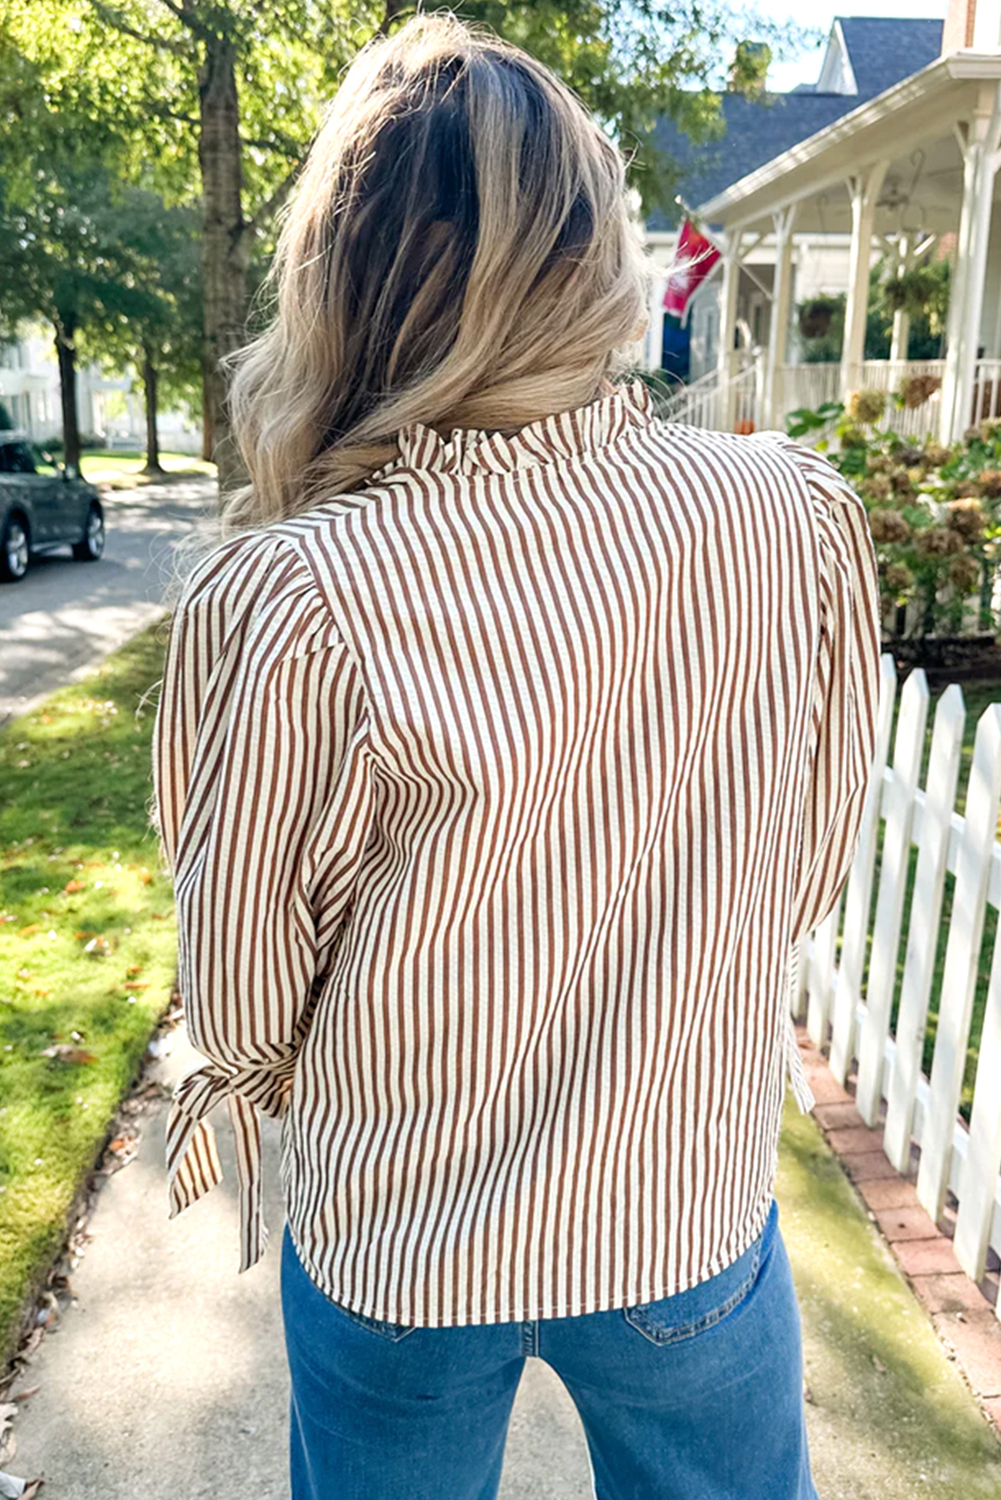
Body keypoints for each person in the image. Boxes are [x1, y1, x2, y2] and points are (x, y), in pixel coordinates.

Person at [150, 13, 883, 1499]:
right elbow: (806, 860)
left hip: (401, 1239)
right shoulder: (785, 517)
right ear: (592, 252)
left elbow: (241, 993)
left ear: (343, 276)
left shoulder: (298, 592)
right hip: (679, 1204)